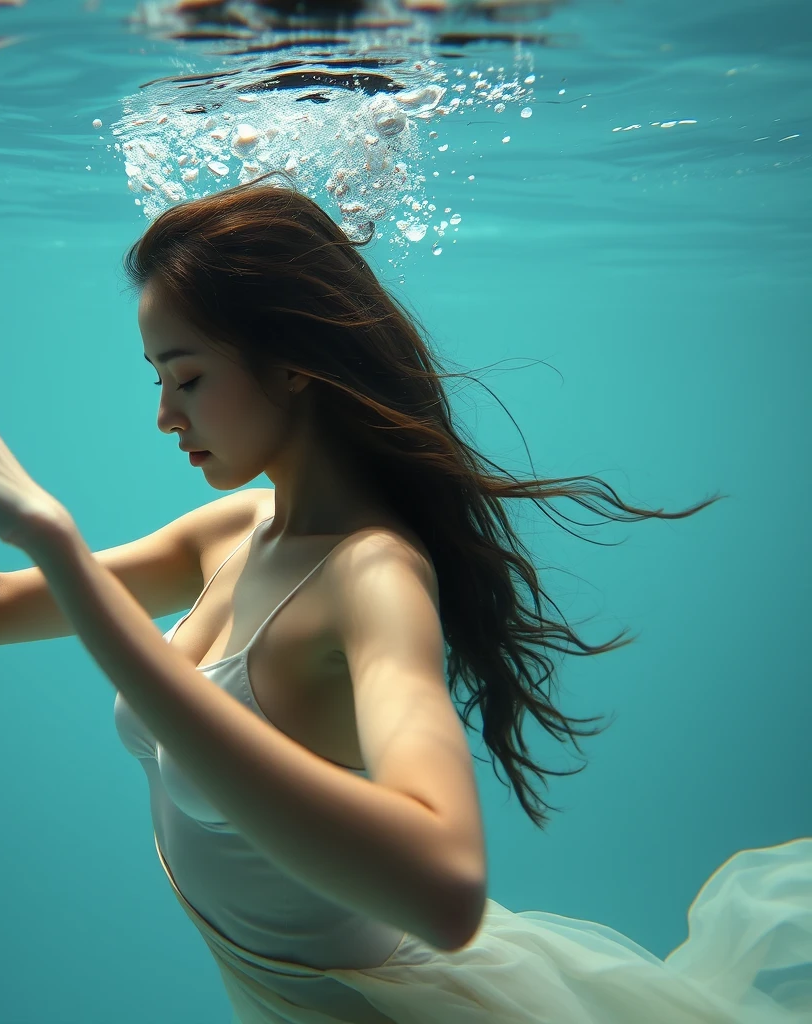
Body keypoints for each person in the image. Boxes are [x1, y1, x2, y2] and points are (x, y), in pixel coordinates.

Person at [113, 171, 810, 1023]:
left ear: (292, 363)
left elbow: (447, 887)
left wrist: (62, 561)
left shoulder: (372, 575)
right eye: (156, 379)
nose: (163, 417)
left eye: (185, 379)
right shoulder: (231, 532)